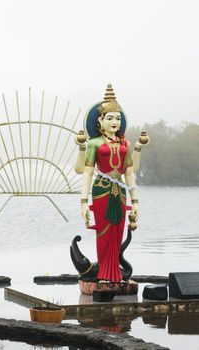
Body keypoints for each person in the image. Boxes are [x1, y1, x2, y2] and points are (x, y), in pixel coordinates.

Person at [78, 84, 139, 283]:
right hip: (101, 191)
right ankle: (104, 274)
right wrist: (83, 202)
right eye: (110, 118)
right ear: (100, 120)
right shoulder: (94, 143)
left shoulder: (125, 144)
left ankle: (116, 274)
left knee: (117, 231)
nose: (115, 122)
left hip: (119, 192)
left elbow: (129, 173)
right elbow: (87, 173)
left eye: (118, 118)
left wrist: (135, 201)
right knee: (103, 233)